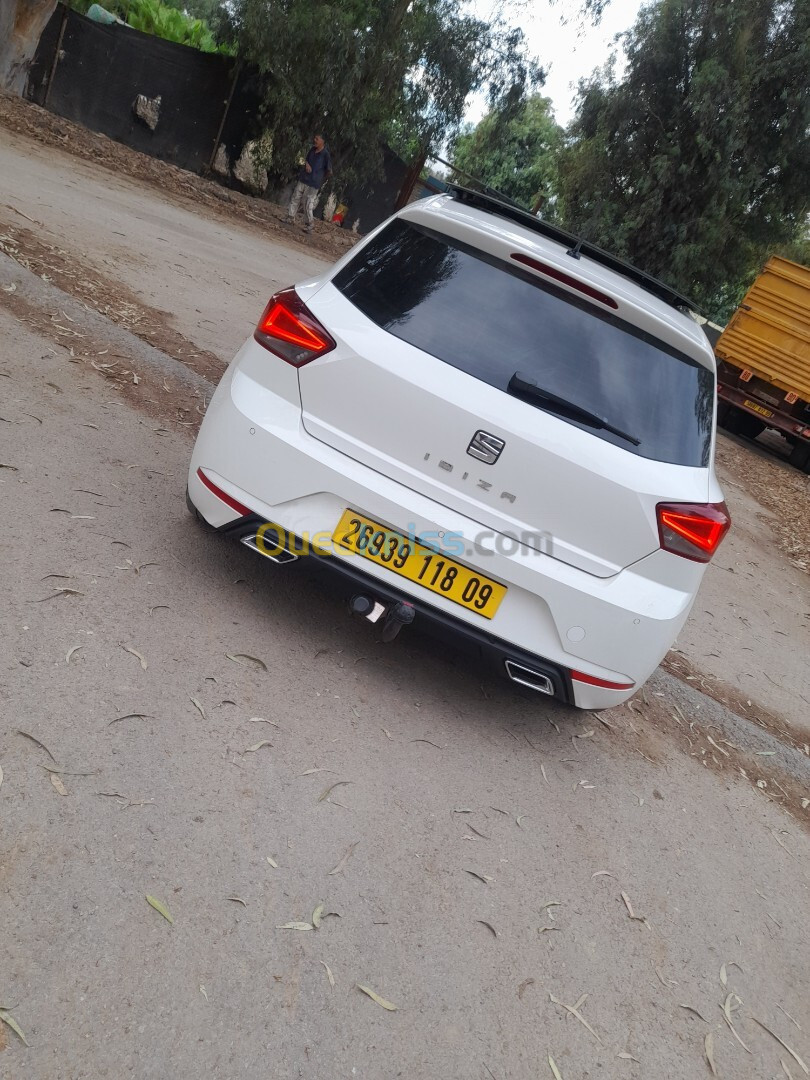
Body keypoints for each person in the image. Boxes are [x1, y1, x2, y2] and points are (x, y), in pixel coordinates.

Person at [286, 134, 332, 233]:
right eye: (314, 138)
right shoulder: (312, 150)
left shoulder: (325, 155)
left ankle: (310, 224)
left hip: (313, 183)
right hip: (304, 178)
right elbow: (306, 159)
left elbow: (329, 171)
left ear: (322, 141)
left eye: (317, 139)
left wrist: (319, 177)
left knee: (307, 203)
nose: (314, 140)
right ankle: (290, 217)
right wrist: (307, 165)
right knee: (295, 197)